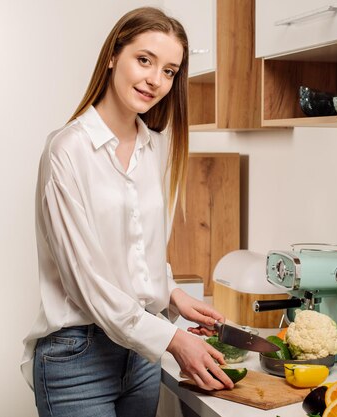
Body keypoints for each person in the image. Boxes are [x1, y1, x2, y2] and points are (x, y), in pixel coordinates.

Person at [20, 7, 233, 417]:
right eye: (145, 60)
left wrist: (171, 292)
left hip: (140, 359)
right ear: (113, 56)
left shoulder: (155, 148)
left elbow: (134, 250)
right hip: (77, 359)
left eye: (170, 71)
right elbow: (85, 279)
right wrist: (172, 339)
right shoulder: (67, 150)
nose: (156, 80)